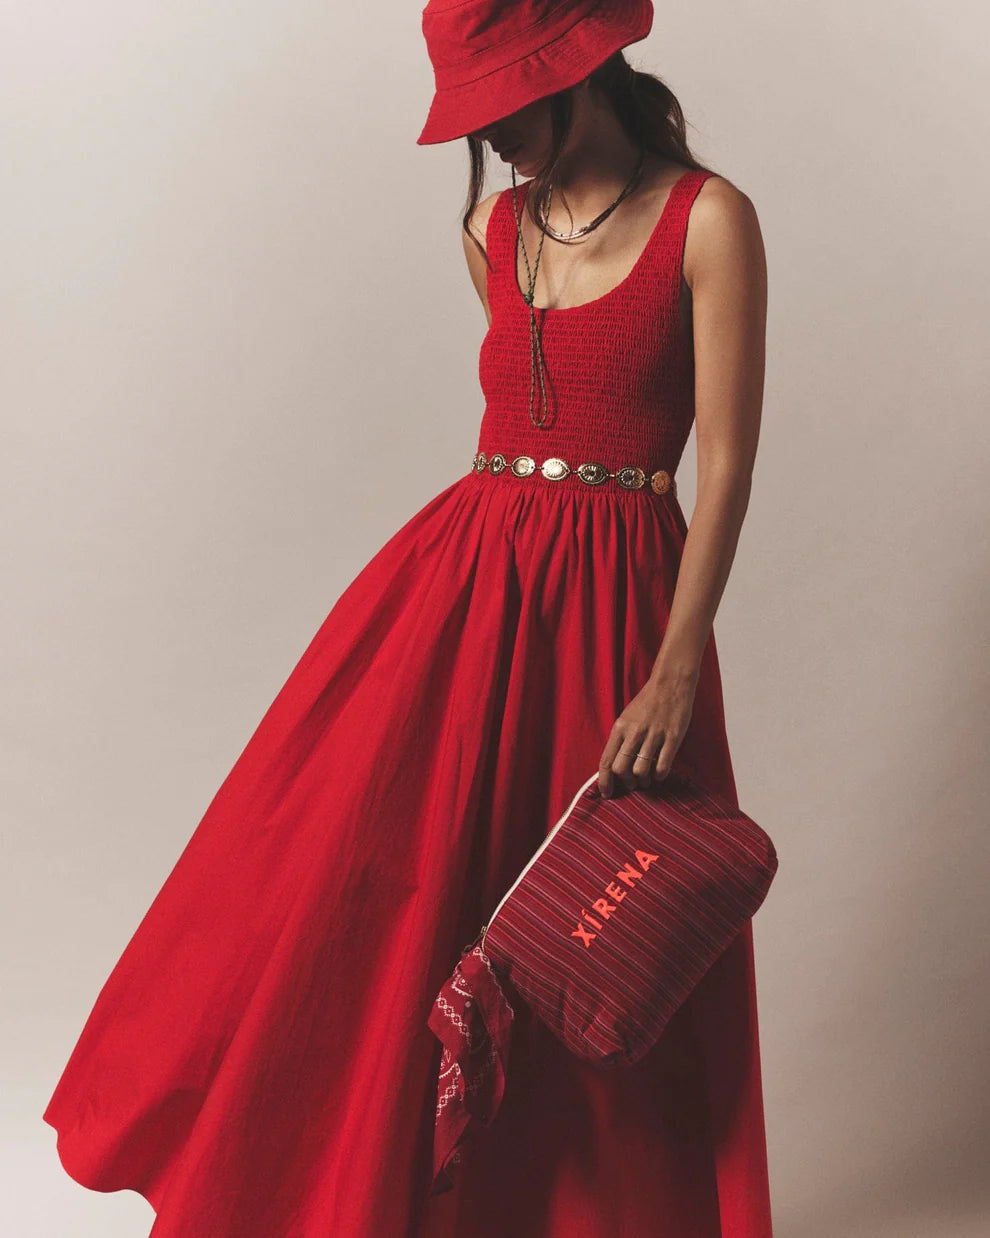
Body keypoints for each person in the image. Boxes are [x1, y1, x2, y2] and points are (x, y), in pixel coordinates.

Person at [43, 1, 771, 1234]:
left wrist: (677, 667)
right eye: (476, 121)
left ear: (581, 70)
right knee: (387, 891)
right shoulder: (493, 229)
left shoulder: (710, 219)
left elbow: (731, 465)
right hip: (468, 593)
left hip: (621, 611)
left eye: (506, 110)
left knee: (600, 934)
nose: (494, 143)